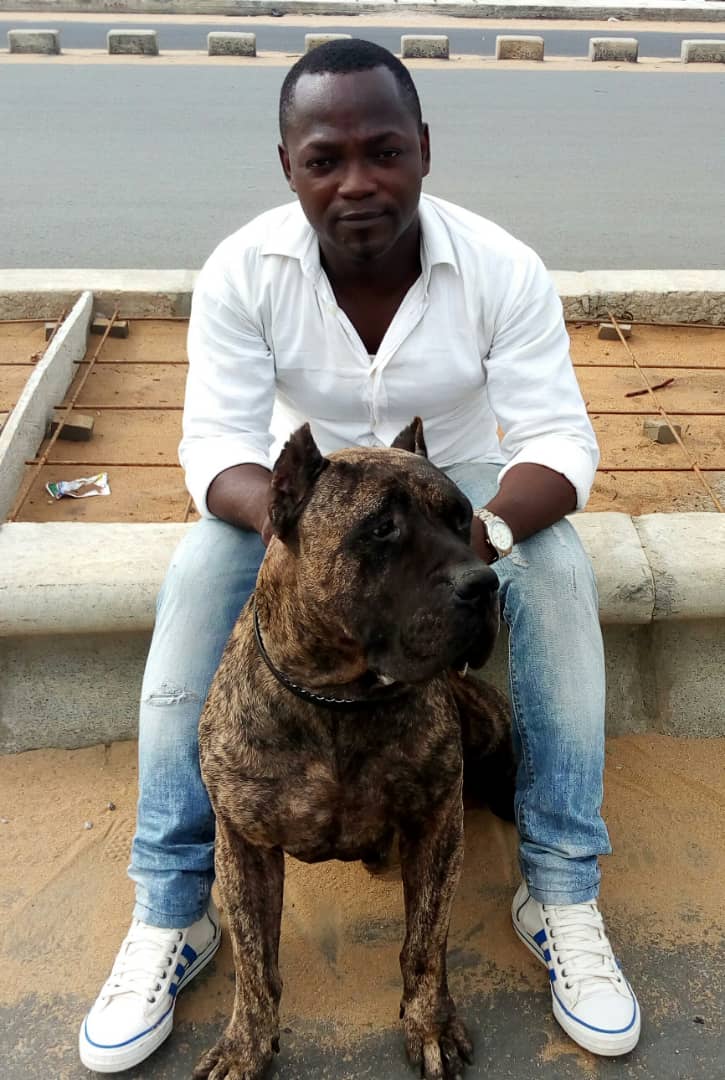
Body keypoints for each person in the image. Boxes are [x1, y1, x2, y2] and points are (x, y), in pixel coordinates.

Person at [79, 38, 640, 1073]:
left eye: (382, 151)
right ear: (286, 166)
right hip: (303, 493)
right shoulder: (244, 270)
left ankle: (562, 892)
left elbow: (559, 442)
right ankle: (169, 907)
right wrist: (291, 528)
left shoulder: (500, 266)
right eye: (323, 159)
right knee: (197, 576)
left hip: (447, 481)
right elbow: (214, 445)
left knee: (557, 572)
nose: (356, 182)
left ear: (422, 147)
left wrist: (479, 534)